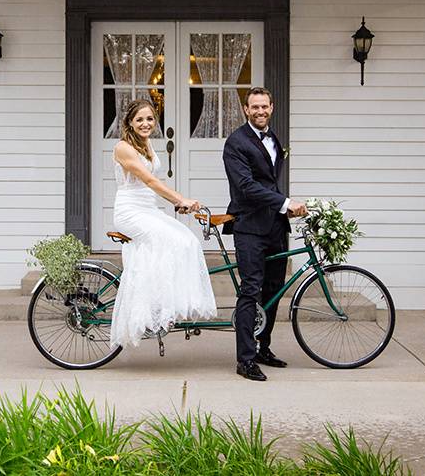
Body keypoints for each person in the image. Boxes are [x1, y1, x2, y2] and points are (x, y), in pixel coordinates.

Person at [109, 99, 217, 348]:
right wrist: (181, 199)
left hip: (148, 209)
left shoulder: (146, 144)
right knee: (170, 242)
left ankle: (169, 307)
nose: (145, 124)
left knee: (188, 241)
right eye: (139, 120)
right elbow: (150, 181)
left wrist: (175, 204)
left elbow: (152, 188)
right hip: (130, 212)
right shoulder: (123, 147)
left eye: (149, 119)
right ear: (129, 123)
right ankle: (151, 310)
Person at [222, 87, 307, 382]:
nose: (260, 111)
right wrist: (285, 203)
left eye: (264, 106)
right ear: (246, 110)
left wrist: (283, 209)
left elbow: (269, 181)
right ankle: (244, 360)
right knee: (251, 290)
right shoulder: (235, 142)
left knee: (273, 290)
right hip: (249, 226)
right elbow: (245, 186)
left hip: (275, 225)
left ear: (272, 107)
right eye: (254, 107)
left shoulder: (273, 138)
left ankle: (262, 348)